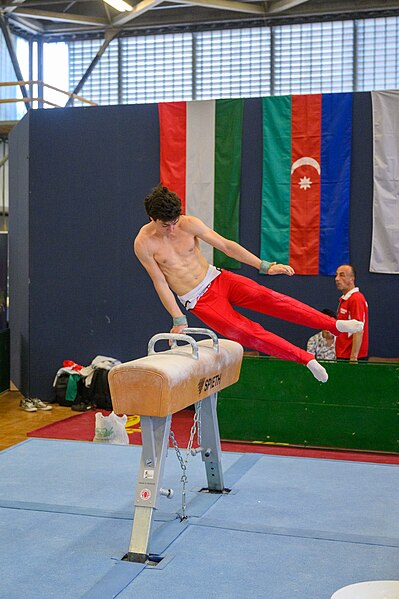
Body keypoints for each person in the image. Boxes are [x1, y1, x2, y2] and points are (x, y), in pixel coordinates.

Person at [134, 185, 364, 383]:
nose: (173, 228)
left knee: (275, 301)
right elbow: (160, 282)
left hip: (219, 278)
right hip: (199, 300)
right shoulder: (144, 244)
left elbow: (226, 246)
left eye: (175, 221)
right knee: (248, 333)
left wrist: (263, 265)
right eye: (166, 225)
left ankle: (335, 326)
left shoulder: (189, 224)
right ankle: (306, 359)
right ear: (152, 219)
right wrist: (178, 318)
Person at [335, 264, 369, 361]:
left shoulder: (356, 299)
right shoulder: (345, 299)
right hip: (343, 353)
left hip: (350, 356)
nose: (337, 279)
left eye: (342, 275)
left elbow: (359, 329)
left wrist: (354, 358)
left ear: (352, 279)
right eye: (336, 275)